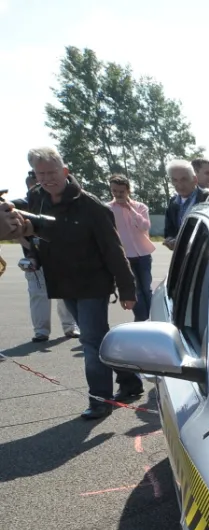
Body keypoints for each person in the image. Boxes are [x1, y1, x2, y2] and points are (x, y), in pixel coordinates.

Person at [16, 146, 139, 420]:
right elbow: (34, 232)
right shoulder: (37, 198)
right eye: (41, 173)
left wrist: (127, 289)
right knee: (98, 338)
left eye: (52, 172)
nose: (47, 179)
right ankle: (129, 379)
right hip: (61, 281)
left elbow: (113, 250)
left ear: (65, 171)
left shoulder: (91, 206)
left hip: (92, 281)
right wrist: (33, 256)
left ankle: (99, 400)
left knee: (91, 341)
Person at [14, 169, 78, 342]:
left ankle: (70, 327)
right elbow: (14, 228)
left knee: (65, 292)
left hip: (58, 255)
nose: (37, 188)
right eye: (33, 184)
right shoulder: (20, 204)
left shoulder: (56, 203)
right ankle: (41, 331)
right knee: (38, 294)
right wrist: (27, 245)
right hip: (34, 257)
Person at [107, 174, 156, 322]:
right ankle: (141, 320)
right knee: (136, 291)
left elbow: (145, 226)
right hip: (124, 256)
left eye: (121, 191)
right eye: (114, 191)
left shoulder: (140, 207)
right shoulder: (108, 209)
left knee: (147, 289)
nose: (118, 194)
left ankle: (153, 318)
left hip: (143, 254)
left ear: (128, 191)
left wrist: (130, 209)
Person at [163, 159, 208, 248]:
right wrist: (170, 240)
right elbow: (169, 231)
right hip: (183, 258)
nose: (179, 184)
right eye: (174, 180)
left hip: (204, 258)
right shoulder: (173, 202)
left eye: (184, 179)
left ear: (194, 179)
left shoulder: (208, 199)